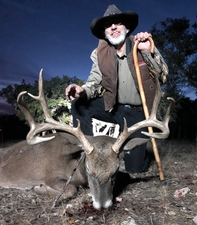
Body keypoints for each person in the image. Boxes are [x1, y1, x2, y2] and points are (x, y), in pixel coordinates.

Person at [65, 4, 168, 173]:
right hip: (114, 109)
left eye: (117, 23)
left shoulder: (141, 45)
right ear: (104, 33)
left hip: (138, 114)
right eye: (107, 25)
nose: (113, 27)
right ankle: (93, 151)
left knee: (135, 169)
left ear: (126, 28)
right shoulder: (99, 54)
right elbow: (94, 81)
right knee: (79, 105)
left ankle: (140, 153)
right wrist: (82, 90)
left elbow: (163, 76)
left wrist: (149, 52)